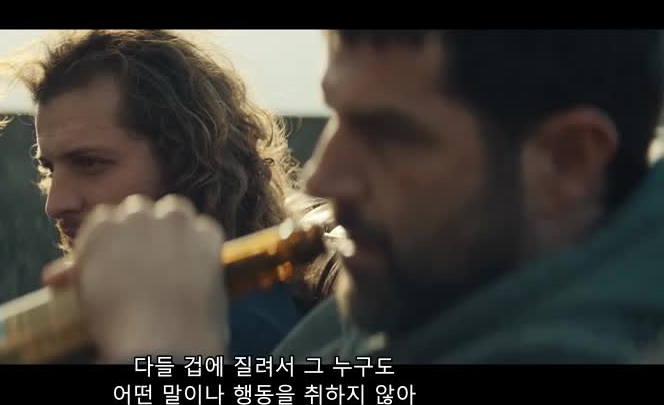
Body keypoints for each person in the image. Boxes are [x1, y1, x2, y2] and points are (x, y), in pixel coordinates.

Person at [50, 29, 664, 364]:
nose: (321, 179)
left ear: (567, 161)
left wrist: (161, 360)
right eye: (339, 117)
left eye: (389, 135)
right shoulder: (408, 306)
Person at [0, 29, 325, 358]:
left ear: (186, 164)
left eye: (90, 163)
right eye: (49, 169)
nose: (55, 204)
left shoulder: (240, 332)